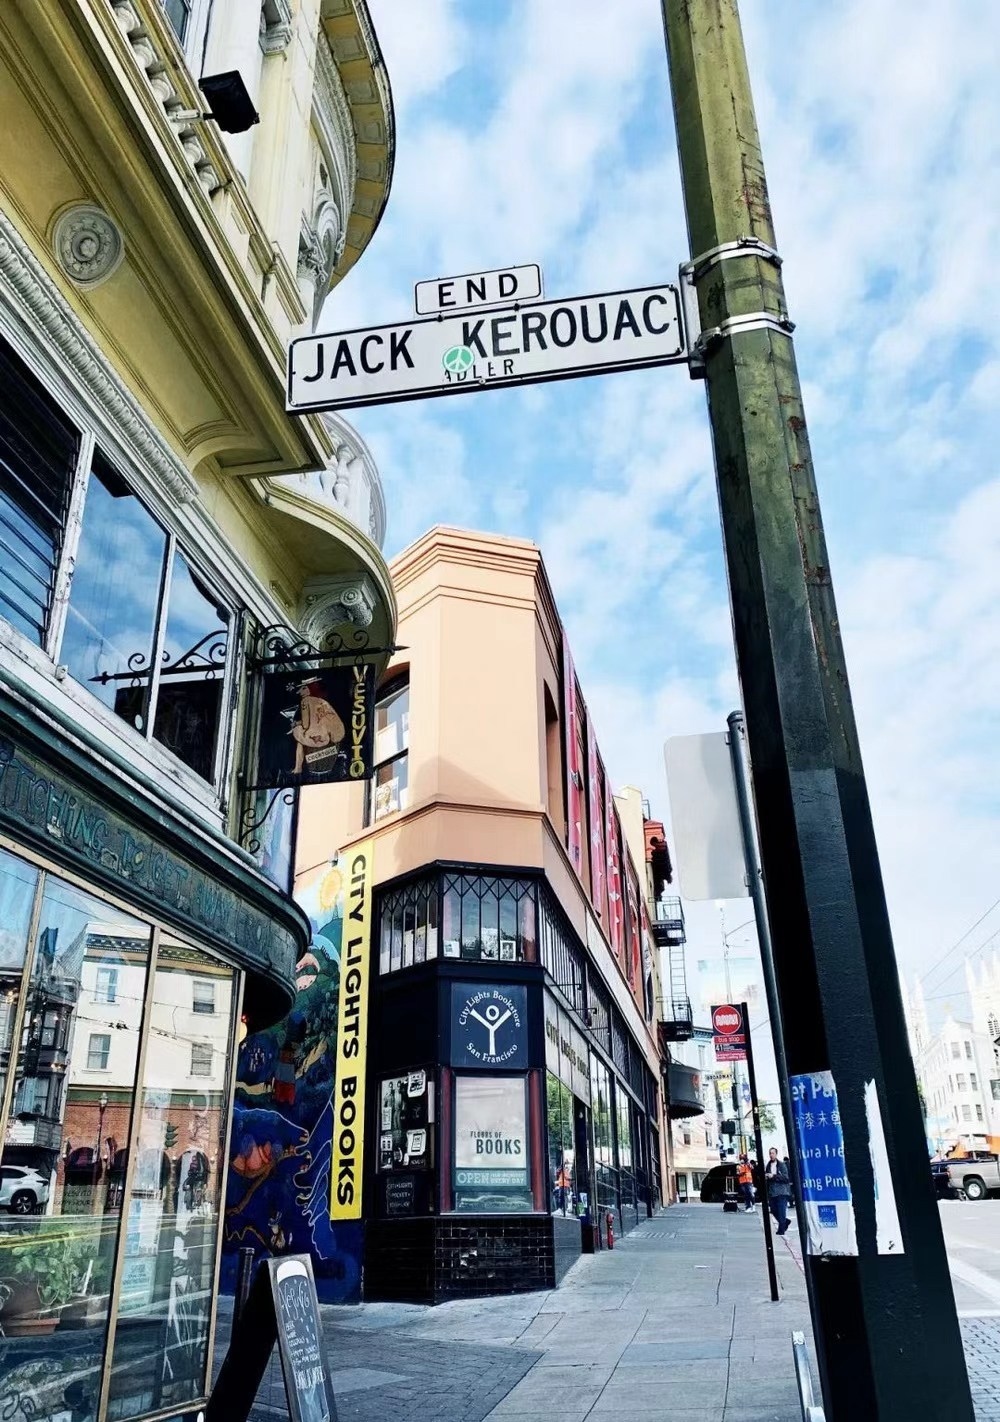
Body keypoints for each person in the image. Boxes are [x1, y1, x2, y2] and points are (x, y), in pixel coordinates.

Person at [765, 1147, 791, 1234]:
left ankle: (781, 1230)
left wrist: (774, 1176)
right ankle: (785, 1222)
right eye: (770, 1153)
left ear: (776, 1154)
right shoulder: (768, 1165)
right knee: (773, 1210)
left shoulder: (781, 1165)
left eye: (773, 1153)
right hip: (772, 1192)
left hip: (782, 1191)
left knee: (781, 1211)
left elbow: (786, 1178)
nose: (771, 1155)